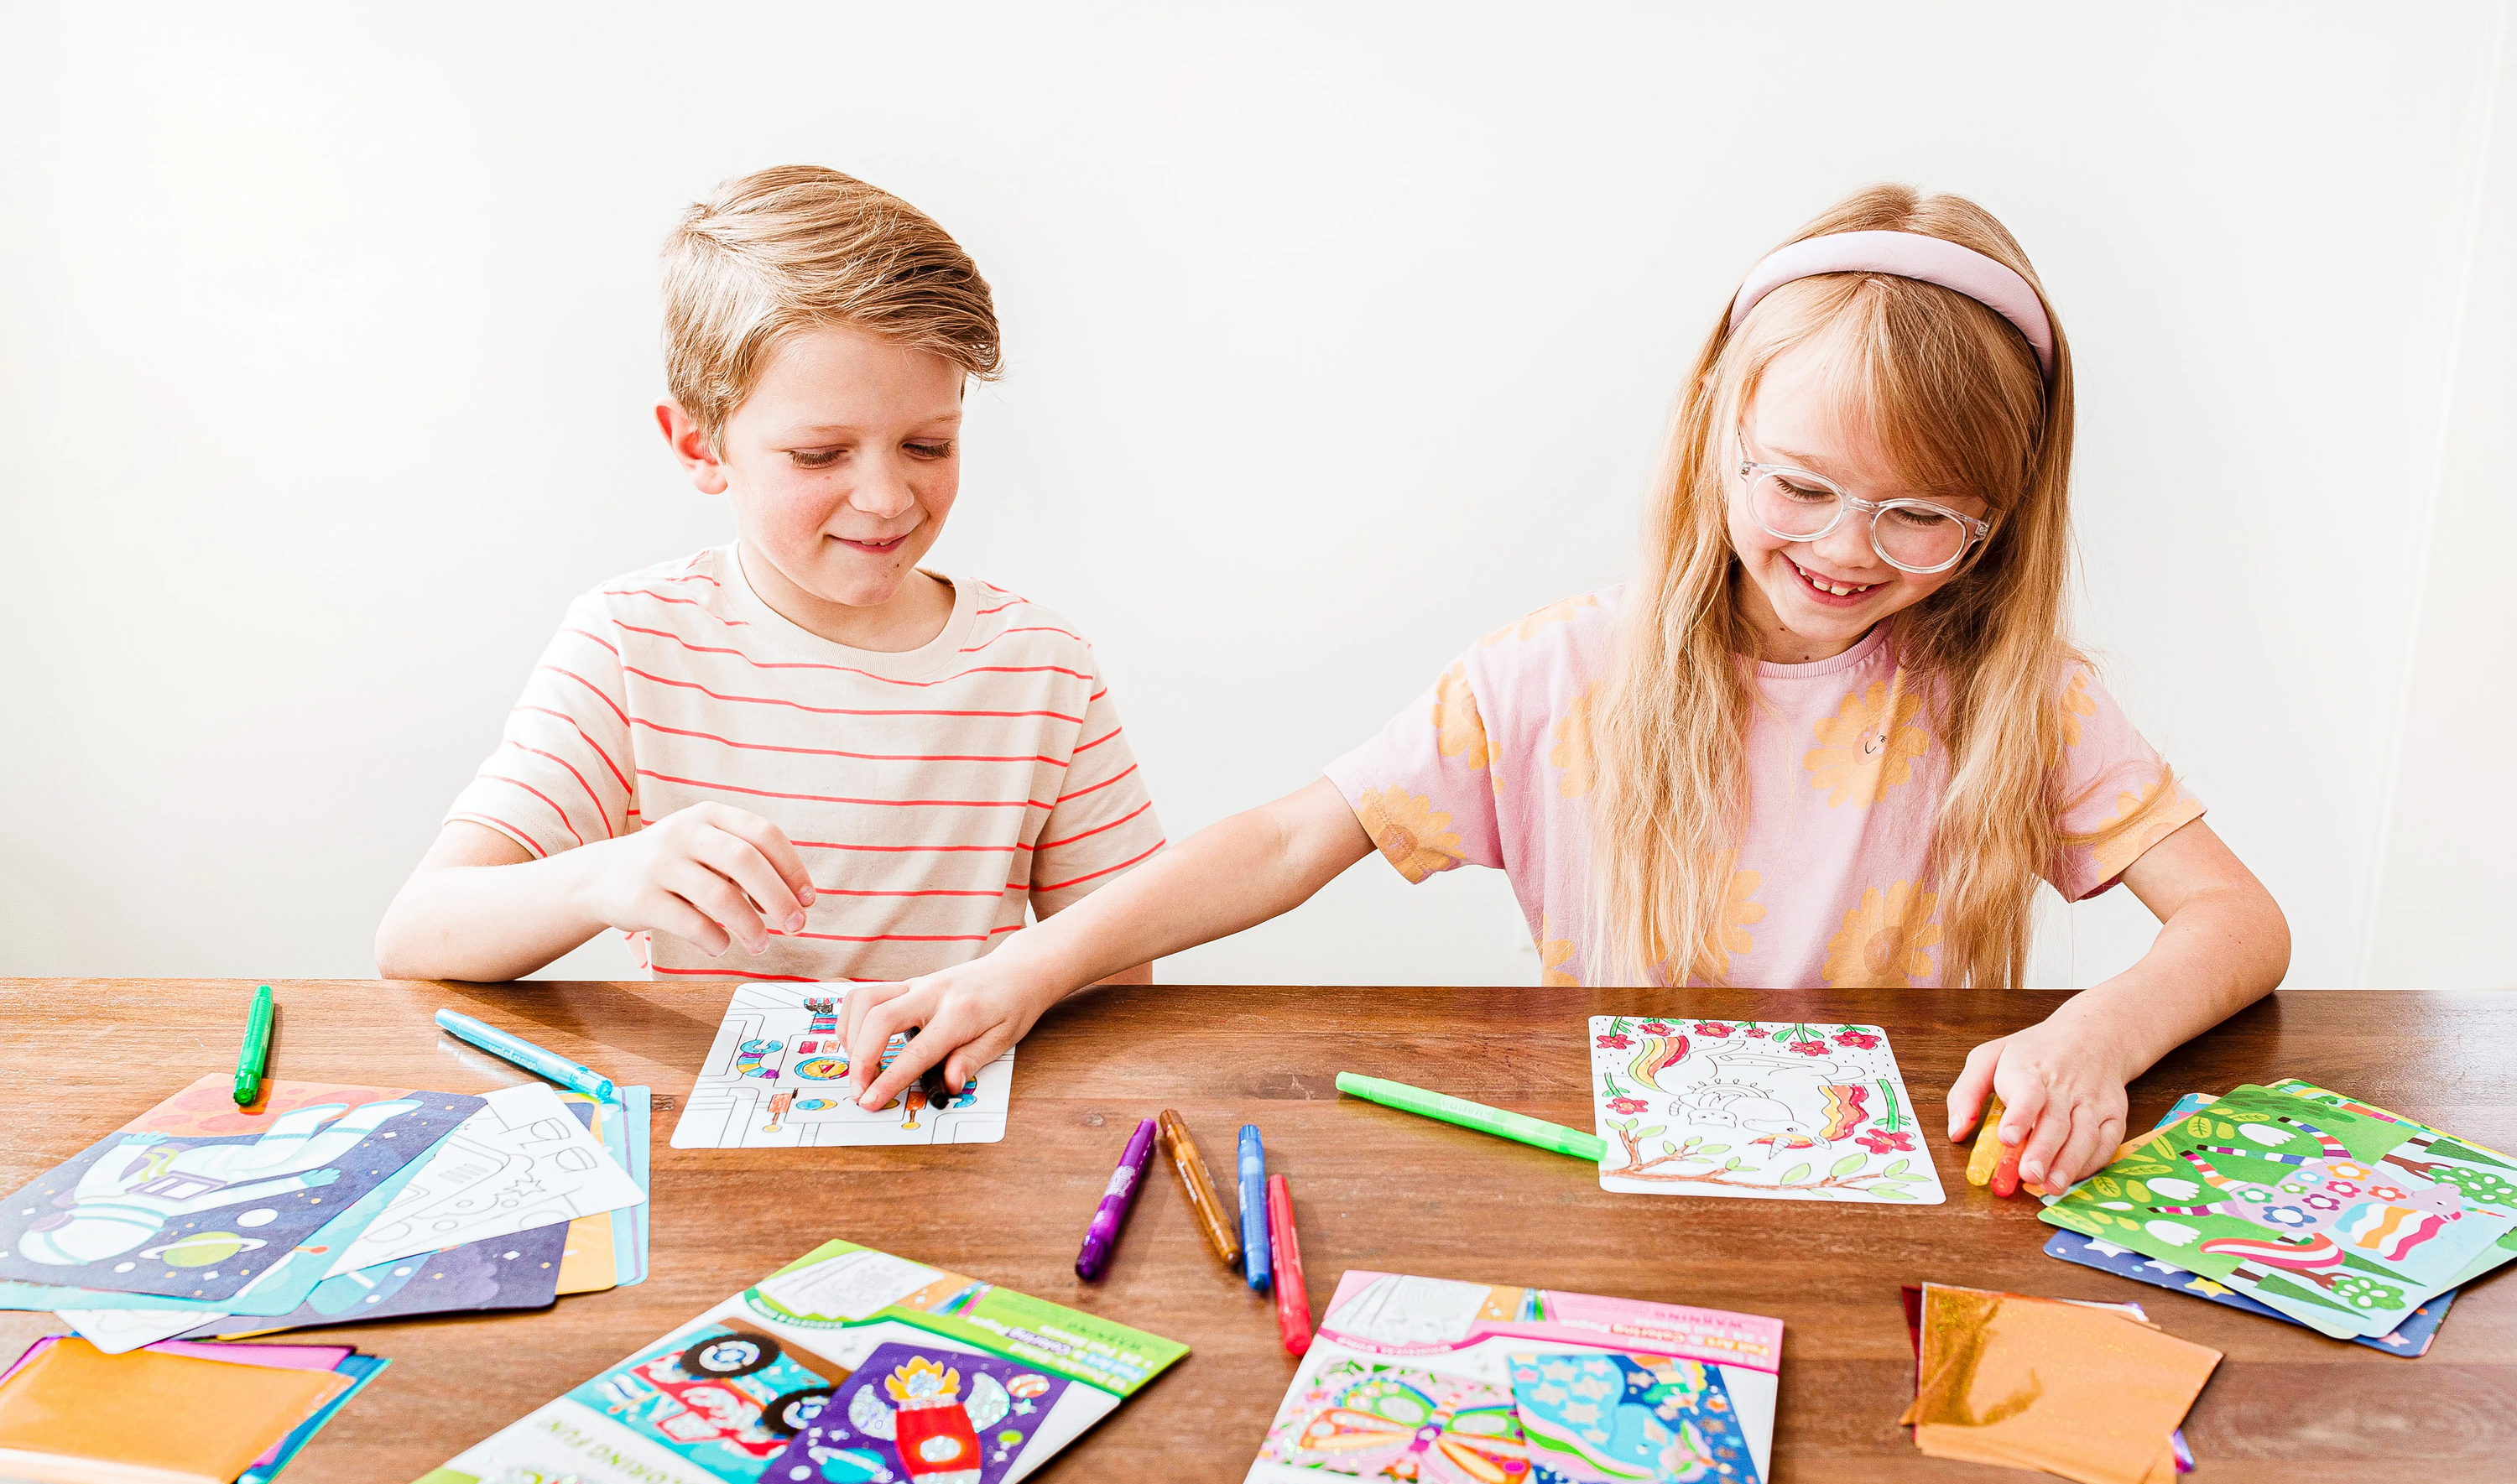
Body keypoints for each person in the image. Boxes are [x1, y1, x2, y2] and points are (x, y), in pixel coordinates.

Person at [837, 184, 2290, 1193]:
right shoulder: (1562, 675)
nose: (1848, 550)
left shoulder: (2019, 700)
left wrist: (2095, 1036)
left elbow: (2237, 921)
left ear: (2005, 516)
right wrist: (1025, 965)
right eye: (1801, 485)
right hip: (1615, 1190)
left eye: (1924, 517)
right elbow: (1292, 839)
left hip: (1902, 1203)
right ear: (1719, 430)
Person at [375, 165, 1164, 983]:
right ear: (698, 444)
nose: (887, 497)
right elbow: (416, 934)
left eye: (928, 445)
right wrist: (603, 878)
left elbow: (1120, 973)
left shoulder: (1042, 665)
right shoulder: (632, 643)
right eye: (820, 454)